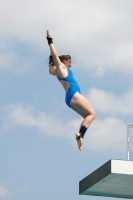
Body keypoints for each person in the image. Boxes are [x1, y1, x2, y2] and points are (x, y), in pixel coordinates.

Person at [46, 30, 96, 151]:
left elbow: (50, 71)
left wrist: (50, 60)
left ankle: (80, 136)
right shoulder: (62, 68)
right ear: (64, 62)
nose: (71, 65)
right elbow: (54, 52)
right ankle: (81, 134)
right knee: (92, 114)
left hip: (69, 99)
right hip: (74, 95)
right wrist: (50, 41)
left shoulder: (57, 72)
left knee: (87, 117)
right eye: (70, 62)